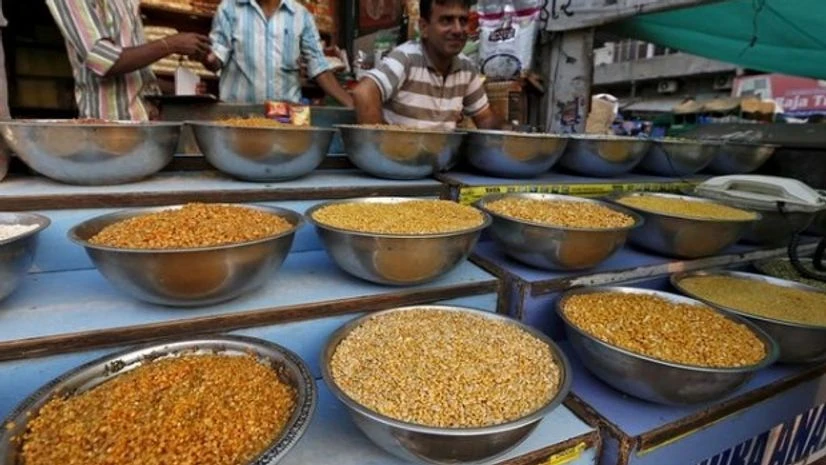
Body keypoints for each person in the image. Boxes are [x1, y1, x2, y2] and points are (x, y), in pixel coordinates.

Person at [46, 0, 212, 120]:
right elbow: (104, 60)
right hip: (110, 127)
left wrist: (176, 90)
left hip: (146, 124)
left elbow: (134, 74)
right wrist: (171, 44)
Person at [352, 0, 500, 130]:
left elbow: (485, 118)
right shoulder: (406, 58)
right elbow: (364, 92)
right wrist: (383, 144)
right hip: (398, 158)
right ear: (424, 27)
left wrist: (510, 132)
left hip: (439, 158)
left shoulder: (466, 68)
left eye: (463, 21)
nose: (457, 30)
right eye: (446, 20)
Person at [204, 0, 353, 107]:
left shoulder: (301, 16)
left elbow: (319, 68)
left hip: (285, 119)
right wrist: (206, 58)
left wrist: (351, 104)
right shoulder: (229, 9)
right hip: (237, 117)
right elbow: (216, 59)